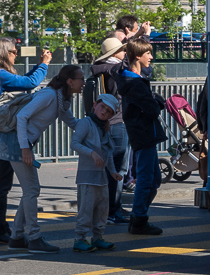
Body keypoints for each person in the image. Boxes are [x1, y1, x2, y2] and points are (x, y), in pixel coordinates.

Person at [0, 64, 83, 253]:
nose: (83, 82)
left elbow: (72, 122)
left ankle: (17, 237)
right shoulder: (50, 95)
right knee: (32, 190)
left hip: (21, 143)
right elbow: (22, 116)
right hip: (16, 143)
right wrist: (25, 149)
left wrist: (95, 123)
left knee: (30, 190)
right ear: (70, 81)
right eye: (80, 78)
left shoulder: (60, 99)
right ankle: (34, 238)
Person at [0, 38, 50, 245]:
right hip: (2, 133)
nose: (15, 54)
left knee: (3, 182)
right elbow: (30, 83)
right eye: (13, 51)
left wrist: (38, 65)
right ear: (4, 53)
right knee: (2, 183)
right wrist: (44, 65)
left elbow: (25, 81)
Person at [117, 38, 166, 235]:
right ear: (138, 56)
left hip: (142, 133)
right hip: (144, 133)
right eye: (148, 53)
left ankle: (139, 216)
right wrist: (158, 102)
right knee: (147, 179)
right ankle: (139, 218)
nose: (151, 57)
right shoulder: (135, 83)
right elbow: (152, 109)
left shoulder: (131, 79)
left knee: (154, 179)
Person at [71, 94, 120, 252]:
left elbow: (108, 152)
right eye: (102, 106)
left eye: (109, 111)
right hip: (87, 176)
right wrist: (92, 153)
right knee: (85, 209)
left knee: (102, 210)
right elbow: (74, 143)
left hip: (102, 178)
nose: (104, 111)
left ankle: (98, 237)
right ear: (95, 104)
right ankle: (80, 239)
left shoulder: (105, 127)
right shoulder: (86, 123)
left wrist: (113, 171)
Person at [88, 38, 130, 224]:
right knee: (118, 169)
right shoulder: (115, 70)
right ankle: (112, 210)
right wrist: (141, 36)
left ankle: (110, 209)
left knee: (110, 168)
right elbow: (133, 62)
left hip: (105, 123)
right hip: (117, 121)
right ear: (114, 54)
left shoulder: (100, 71)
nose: (125, 53)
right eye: (122, 50)